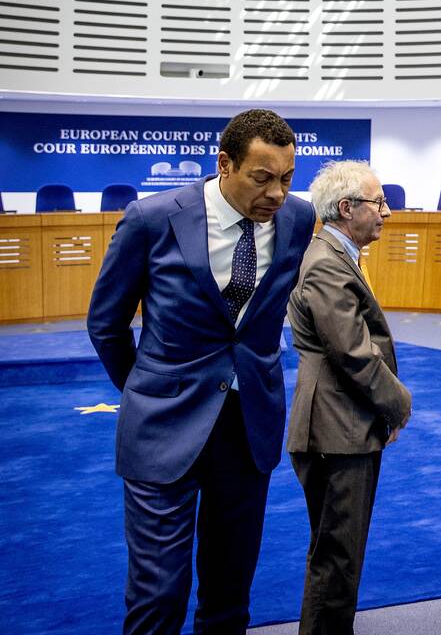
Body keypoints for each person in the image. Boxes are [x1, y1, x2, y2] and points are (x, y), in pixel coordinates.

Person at [87, 109, 316, 635]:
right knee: (158, 596)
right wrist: (146, 391)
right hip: (161, 427)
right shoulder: (151, 219)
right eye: (262, 178)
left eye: (287, 178)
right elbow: (106, 323)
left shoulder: (298, 219)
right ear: (224, 164)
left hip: (248, 426)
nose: (277, 193)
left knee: (229, 595)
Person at [286, 160, 412, 635]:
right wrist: (398, 404)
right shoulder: (326, 263)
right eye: (379, 203)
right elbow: (353, 353)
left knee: (338, 556)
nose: (387, 212)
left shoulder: (336, 256)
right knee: (337, 560)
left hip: (343, 425)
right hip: (335, 430)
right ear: (346, 208)